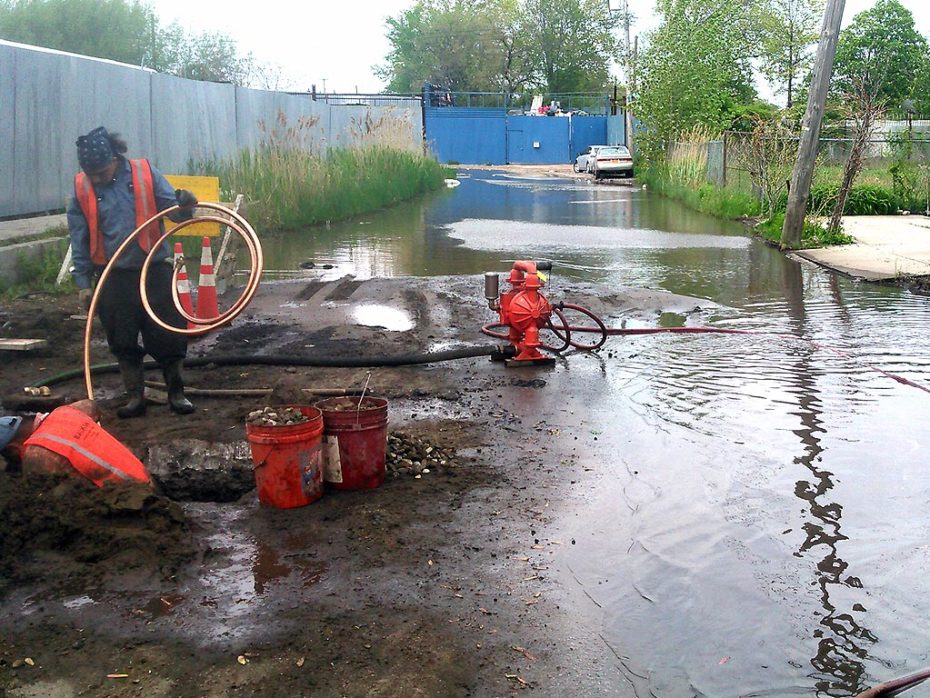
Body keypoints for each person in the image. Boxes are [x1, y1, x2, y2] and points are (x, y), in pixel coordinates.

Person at [67, 126, 198, 418]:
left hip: (152, 271)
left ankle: (176, 393)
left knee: (168, 332)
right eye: (93, 175)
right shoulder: (81, 187)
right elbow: (79, 237)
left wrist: (185, 205)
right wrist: (84, 284)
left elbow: (172, 212)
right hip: (112, 276)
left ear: (114, 157)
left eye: (102, 172)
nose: (98, 179)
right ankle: (135, 397)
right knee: (121, 337)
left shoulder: (144, 172)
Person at [0, 401, 151, 487]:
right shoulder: (64, 412)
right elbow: (91, 405)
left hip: (129, 502)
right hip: (147, 479)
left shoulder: (36, 454)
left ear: (12, 449)